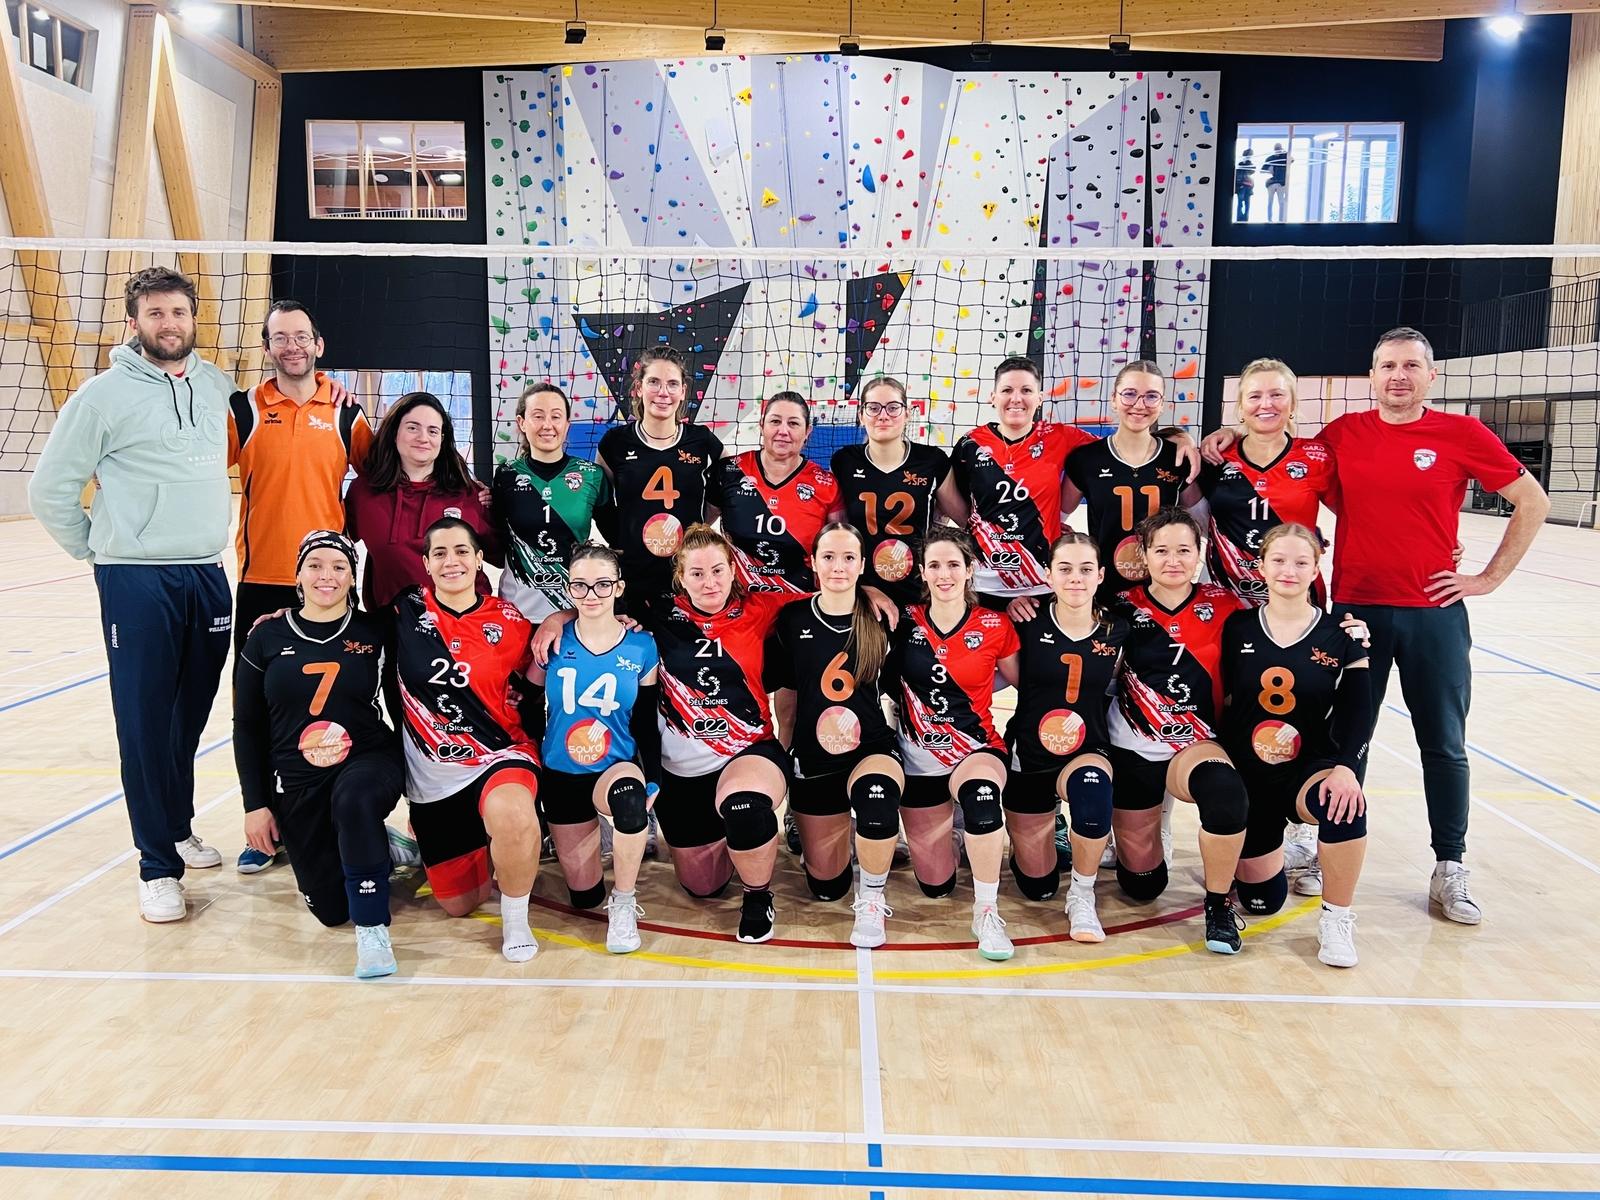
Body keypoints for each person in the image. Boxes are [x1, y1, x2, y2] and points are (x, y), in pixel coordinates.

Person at [1203, 327, 1551, 923]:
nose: (1398, 376)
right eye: (1387, 365)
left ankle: (1450, 865)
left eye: (1411, 365)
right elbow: (1279, 449)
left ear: (1431, 375)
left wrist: (1487, 579)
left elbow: (1534, 500)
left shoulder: (1462, 433)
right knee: (1344, 738)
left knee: (1443, 741)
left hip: (1433, 612)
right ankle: (1318, 845)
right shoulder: (1342, 435)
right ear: (1371, 375)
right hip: (1354, 609)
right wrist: (1230, 432)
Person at [30, 266, 235, 923]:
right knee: (144, 723)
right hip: (137, 579)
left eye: (178, 312)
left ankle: (177, 827)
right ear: (133, 322)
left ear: (193, 319)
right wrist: (98, 551)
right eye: (155, 313)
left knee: (188, 717)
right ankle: (156, 867)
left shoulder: (216, 386)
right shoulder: (101, 397)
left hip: (206, 572)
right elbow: (49, 490)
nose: (169, 324)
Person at [537, 524, 799, 943]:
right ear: (680, 576)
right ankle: (736, 843)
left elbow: (830, 592)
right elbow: (594, 601)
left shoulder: (761, 606)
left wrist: (873, 592)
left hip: (746, 750)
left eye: (717, 570)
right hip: (681, 770)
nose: (709, 582)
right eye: (697, 573)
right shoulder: (655, 611)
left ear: (733, 570)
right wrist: (557, 617)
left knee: (745, 808)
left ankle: (757, 896)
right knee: (703, 887)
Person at [233, 531, 406, 978]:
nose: (326, 576)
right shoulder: (266, 635)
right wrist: (255, 804)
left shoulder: (375, 631)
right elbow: (247, 726)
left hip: (367, 758)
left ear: (352, 577)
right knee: (330, 910)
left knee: (354, 800)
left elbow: (404, 705)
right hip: (297, 778)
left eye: (339, 567)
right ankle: (381, 846)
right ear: (298, 575)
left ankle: (372, 933)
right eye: (315, 565)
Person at [1220, 524, 1373, 968]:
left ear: (1316, 568)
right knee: (1262, 903)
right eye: (1279, 560)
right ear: (1261, 566)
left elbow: (1359, 711)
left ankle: (1336, 919)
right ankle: (1271, 855)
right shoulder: (1237, 627)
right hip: (1249, 774)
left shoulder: (1343, 634)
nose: (1289, 570)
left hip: (1306, 768)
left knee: (1345, 806)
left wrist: (1346, 768)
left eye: (1301, 562)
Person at [392, 518, 544, 962]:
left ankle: (516, 920)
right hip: (433, 776)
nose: (451, 561)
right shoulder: (405, 610)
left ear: (479, 559)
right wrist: (284, 616)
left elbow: (540, 672)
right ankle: (417, 841)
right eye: (439, 553)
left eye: (462, 551)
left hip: (500, 753)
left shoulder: (510, 620)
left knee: (512, 813)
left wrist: (561, 616)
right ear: (426, 563)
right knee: (460, 904)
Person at [1106, 508, 1254, 954]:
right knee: (1142, 886)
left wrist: (1343, 629)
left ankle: (1218, 905)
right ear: (1144, 555)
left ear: (1200, 553)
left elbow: (1285, 626)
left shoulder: (1228, 605)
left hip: (1196, 742)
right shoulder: (1119, 606)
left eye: (1184, 550)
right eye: (1162, 551)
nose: (1174, 560)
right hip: (1133, 744)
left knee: (1225, 793)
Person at [952, 356, 1197, 608]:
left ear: (1040, 398)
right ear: (993, 397)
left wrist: (1180, 439)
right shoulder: (970, 444)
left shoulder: (1060, 436)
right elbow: (954, 505)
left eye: (1026, 390)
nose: (1016, 398)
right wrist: (984, 532)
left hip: (1042, 580)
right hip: (984, 579)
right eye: (1007, 390)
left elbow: (1122, 446)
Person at [521, 542, 661, 954]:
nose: (591, 594)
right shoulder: (552, 640)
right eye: (579, 585)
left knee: (631, 802)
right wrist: (533, 763)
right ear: (569, 589)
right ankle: (596, 844)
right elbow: (525, 701)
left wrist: (653, 777)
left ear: (618, 587)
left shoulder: (641, 646)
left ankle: (624, 902)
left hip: (613, 767)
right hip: (561, 774)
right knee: (584, 897)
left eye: (602, 584)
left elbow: (646, 720)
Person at [889, 529, 1021, 960]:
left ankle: (987, 913)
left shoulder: (995, 625)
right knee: (936, 885)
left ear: (969, 570)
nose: (944, 574)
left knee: (983, 800)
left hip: (975, 749)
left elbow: (1028, 685)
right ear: (923, 573)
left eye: (953, 564)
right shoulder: (903, 620)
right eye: (935, 565)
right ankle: (958, 835)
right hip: (918, 757)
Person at [771, 523, 905, 949]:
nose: (838, 567)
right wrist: (784, 758)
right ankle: (843, 839)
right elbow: (787, 700)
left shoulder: (882, 618)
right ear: (813, 563)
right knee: (827, 887)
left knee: (877, 802)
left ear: (863, 565)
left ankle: (872, 898)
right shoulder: (792, 619)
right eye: (828, 557)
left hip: (871, 749)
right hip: (814, 760)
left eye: (848, 558)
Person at [228, 300, 373, 664]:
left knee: (333, 687)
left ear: (318, 345)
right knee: (254, 687)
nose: (292, 346)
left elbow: (383, 479)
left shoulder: (346, 413)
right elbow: (195, 465)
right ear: (266, 347)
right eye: (280, 338)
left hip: (329, 576)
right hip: (261, 575)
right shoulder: (243, 409)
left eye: (301, 337)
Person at [1006, 532, 1127, 943]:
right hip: (1028, 752)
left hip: (1086, 748)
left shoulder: (1117, 630)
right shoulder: (1025, 622)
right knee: (1036, 886)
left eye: (1085, 569)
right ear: (1048, 575)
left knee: (1093, 795)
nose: (1076, 577)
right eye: (1065, 568)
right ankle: (1043, 832)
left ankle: (1082, 894)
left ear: (1100, 576)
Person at [1060, 360, 1204, 604]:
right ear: (1114, 400)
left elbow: (1207, 524)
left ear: (1162, 404)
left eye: (1151, 396)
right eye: (1129, 394)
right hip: (1104, 593)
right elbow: (1056, 518)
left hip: (1165, 594)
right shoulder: (1086, 459)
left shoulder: (1178, 458)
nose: (1139, 404)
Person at [345, 391, 499, 615]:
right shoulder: (364, 492)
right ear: (394, 433)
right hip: (393, 625)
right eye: (412, 428)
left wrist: (502, 504)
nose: (423, 438)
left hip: (466, 622)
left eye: (432, 431)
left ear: (442, 439)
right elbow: (335, 543)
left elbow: (503, 555)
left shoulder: (469, 494)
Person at [1198, 358, 1335, 609]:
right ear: (1240, 407)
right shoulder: (1215, 457)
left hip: (1295, 597)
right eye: (1254, 396)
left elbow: (1356, 517)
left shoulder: (1317, 457)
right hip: (1225, 597)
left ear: (1293, 403)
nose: (1266, 404)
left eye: (1276, 394)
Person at [597, 346, 723, 613]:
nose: (663, 392)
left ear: (683, 392)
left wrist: (697, 528)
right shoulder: (615, 443)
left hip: (689, 582)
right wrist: (625, 541)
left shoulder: (702, 441)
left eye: (672, 384)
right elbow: (601, 505)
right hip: (633, 580)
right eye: (654, 382)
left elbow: (729, 489)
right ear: (639, 388)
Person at [492, 381, 615, 622]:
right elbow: (494, 540)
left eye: (556, 417)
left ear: (567, 425)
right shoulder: (506, 475)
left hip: (575, 607)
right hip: (518, 609)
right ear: (521, 423)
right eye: (538, 416)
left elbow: (617, 536)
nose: (547, 425)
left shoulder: (591, 475)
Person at [831, 376, 958, 609]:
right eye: (873, 408)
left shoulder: (932, 461)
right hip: (862, 592)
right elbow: (834, 530)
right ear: (861, 416)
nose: (883, 415)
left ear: (907, 414)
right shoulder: (844, 461)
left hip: (920, 591)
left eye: (893, 407)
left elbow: (966, 520)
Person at [709, 391, 844, 596]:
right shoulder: (729, 472)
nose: (783, 431)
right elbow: (698, 529)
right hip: (738, 601)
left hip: (800, 601)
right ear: (761, 425)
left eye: (793, 423)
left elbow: (840, 550)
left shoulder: (826, 485)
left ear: (807, 431)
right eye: (775, 421)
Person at [1263, 143, 1290, 222]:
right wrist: (1269, 170)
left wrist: (1285, 153)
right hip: (1272, 182)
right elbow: (1263, 169)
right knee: (1271, 201)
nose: (1277, 150)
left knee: (1281, 202)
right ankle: (1270, 219)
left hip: (1281, 183)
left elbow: (1292, 159)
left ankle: (1281, 219)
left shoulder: (1284, 158)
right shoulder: (1271, 158)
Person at [1234, 148, 1255, 222]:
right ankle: (1239, 218)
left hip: (1248, 186)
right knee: (1240, 202)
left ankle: (1245, 218)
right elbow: (1238, 174)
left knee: (1247, 203)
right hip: (1241, 185)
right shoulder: (1240, 164)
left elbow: (1252, 171)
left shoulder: (1251, 165)